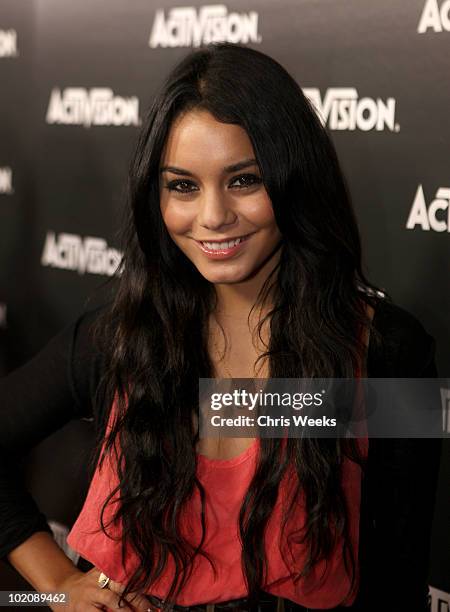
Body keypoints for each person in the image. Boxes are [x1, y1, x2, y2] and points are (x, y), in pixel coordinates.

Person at [0, 43, 442, 612]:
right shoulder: (123, 333)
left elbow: (395, 579)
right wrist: (57, 584)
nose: (212, 217)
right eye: (182, 185)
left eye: (244, 180)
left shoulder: (386, 351)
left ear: (293, 179)